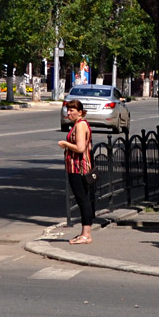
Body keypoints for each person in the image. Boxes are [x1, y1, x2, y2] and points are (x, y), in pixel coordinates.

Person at [59, 99, 95, 244]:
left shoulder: (80, 125)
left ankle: (86, 235)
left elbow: (80, 148)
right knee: (83, 199)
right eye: (68, 110)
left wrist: (65, 144)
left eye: (72, 110)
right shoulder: (82, 124)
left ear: (80, 112)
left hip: (78, 168)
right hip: (79, 166)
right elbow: (89, 147)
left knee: (82, 200)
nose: (69, 113)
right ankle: (84, 233)